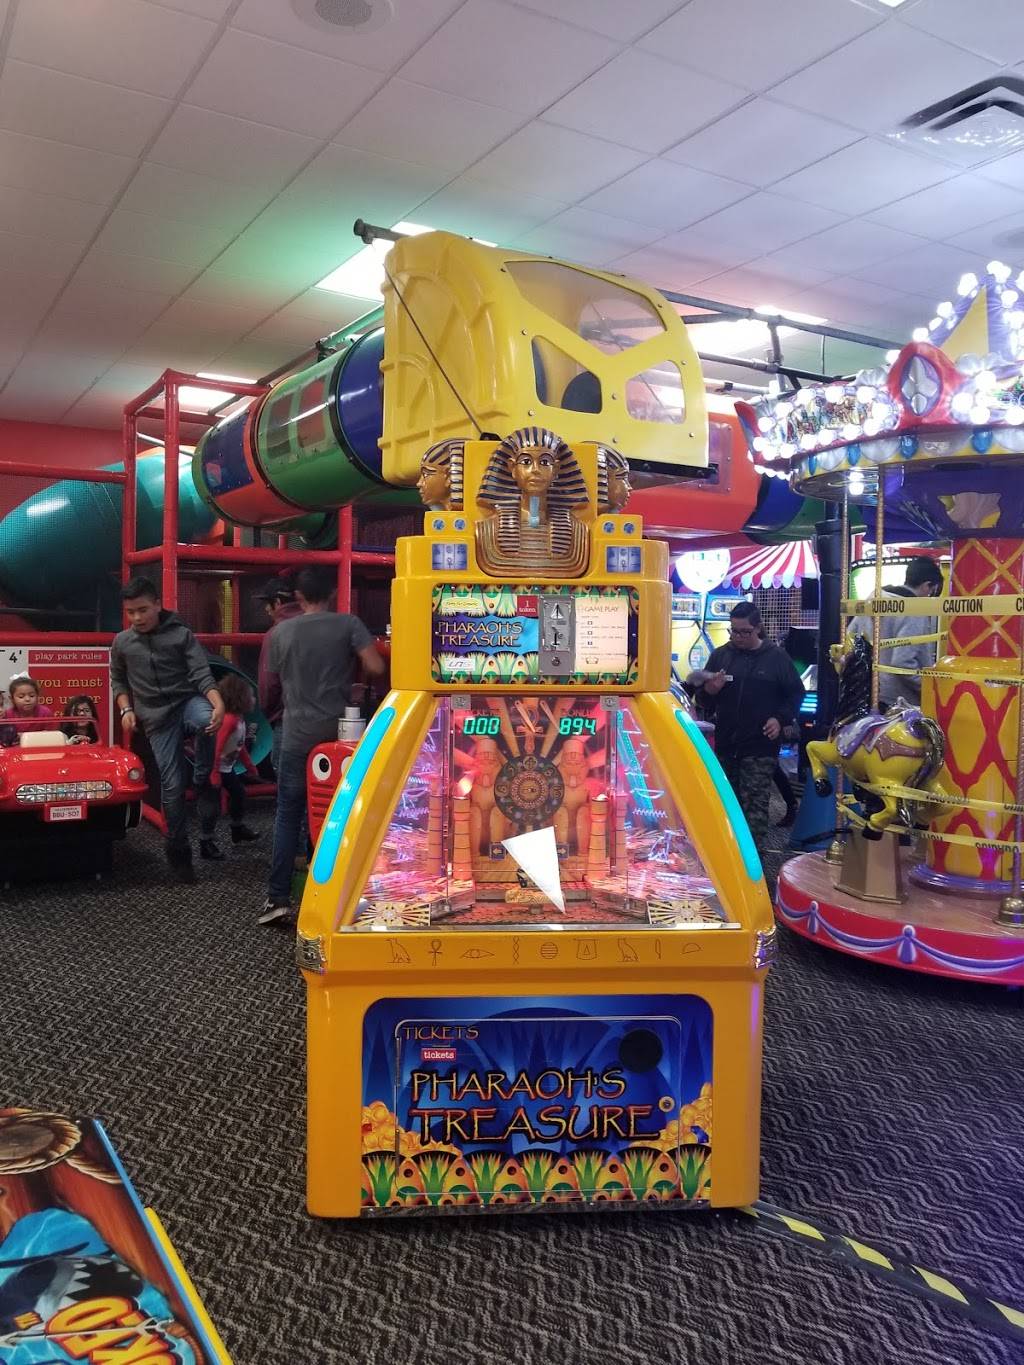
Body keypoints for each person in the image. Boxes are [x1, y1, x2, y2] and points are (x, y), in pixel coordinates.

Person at [259, 566, 385, 925]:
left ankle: (278, 898)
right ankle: (330, 896)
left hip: (296, 733)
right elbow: (376, 666)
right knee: (338, 814)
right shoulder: (349, 624)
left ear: (298, 596)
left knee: (288, 814)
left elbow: (270, 685)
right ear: (332, 593)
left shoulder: (280, 632)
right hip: (338, 736)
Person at [111, 576, 224, 884]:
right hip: (156, 717)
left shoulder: (181, 635)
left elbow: (201, 673)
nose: (137, 617)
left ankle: (202, 775)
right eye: (131, 612)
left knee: (207, 720)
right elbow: (118, 679)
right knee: (172, 787)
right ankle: (178, 850)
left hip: (187, 702)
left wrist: (218, 703)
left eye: (143, 610)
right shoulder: (122, 642)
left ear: (158, 604)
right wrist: (126, 709)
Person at [689, 601, 804, 856]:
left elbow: (796, 694)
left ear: (758, 628)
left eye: (745, 632)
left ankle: (754, 865)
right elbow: (704, 701)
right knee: (726, 805)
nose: (738, 637)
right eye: (734, 631)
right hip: (726, 744)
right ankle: (727, 860)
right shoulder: (721, 656)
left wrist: (780, 719)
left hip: (760, 745)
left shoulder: (777, 658)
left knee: (755, 808)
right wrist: (710, 690)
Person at [851, 556, 943, 709]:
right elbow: (903, 663)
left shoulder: (873, 600)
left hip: (865, 691)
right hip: (898, 701)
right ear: (927, 586)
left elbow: (851, 635)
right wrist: (928, 689)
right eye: (932, 592)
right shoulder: (914, 611)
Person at [195, 674, 261, 861]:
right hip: (215, 769)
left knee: (239, 794)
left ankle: (237, 828)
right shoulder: (229, 721)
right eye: (250, 696)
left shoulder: (239, 719)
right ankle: (206, 842)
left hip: (225, 768)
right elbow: (216, 748)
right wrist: (214, 773)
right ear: (240, 698)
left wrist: (249, 765)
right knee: (211, 807)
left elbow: (239, 745)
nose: (253, 699)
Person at [255, 576, 303, 777]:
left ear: (277, 602)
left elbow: (269, 684)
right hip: (325, 719)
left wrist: (266, 713)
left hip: (287, 720)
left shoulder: (276, 634)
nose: (266, 609)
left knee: (288, 783)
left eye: (268, 604)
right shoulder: (321, 628)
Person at [2, 676, 55, 746]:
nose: (27, 699)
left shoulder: (45, 713)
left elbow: (52, 735)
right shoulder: (7, 714)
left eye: (32, 696)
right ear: (12, 699)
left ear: (38, 696)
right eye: (21, 697)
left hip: (41, 747)